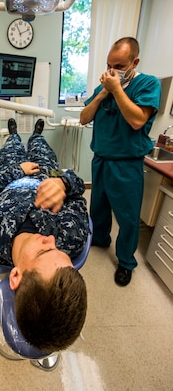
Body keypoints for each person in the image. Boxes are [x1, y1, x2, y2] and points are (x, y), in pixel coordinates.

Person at [0, 118, 90, 353]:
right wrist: (62, 183)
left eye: (44, 250)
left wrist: (13, 172)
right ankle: (36, 135)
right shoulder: (72, 236)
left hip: (10, 178)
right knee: (41, 146)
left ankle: (13, 135)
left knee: (11, 147)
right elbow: (79, 189)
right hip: (46, 174)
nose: (52, 240)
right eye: (61, 252)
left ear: (15, 276)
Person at [80, 37, 161, 287]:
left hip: (127, 164)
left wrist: (116, 90)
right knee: (99, 208)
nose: (112, 71)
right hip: (102, 159)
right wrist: (103, 93)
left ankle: (126, 262)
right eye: (108, 64)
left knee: (127, 218)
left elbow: (137, 121)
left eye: (119, 65)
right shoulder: (105, 87)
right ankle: (100, 239)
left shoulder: (147, 84)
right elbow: (84, 118)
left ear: (134, 62)